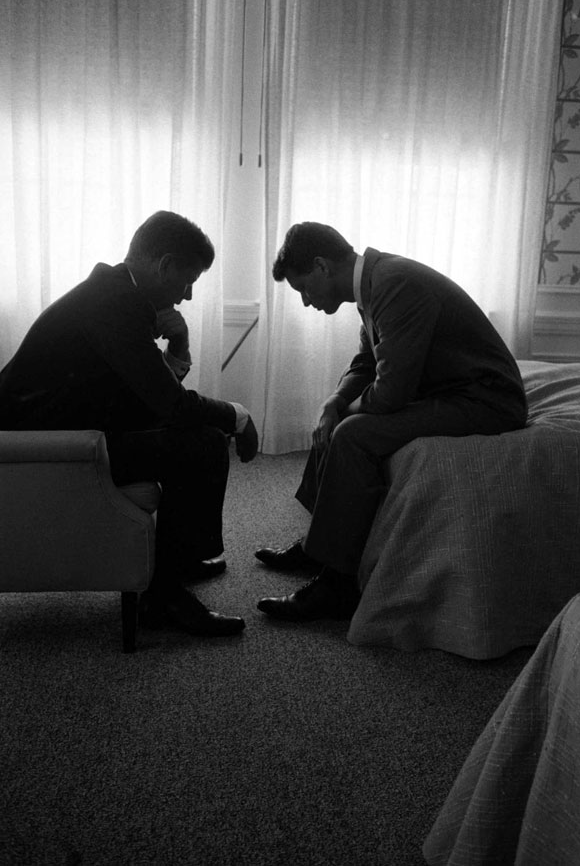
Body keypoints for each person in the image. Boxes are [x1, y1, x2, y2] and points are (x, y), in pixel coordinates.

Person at [0, 210, 258, 636]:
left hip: (69, 432)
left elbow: (150, 396)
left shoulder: (115, 295)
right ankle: (165, 599)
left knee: (198, 437)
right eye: (188, 280)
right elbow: (169, 405)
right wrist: (237, 415)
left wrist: (179, 343)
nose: (189, 295)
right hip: (46, 450)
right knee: (204, 444)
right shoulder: (114, 304)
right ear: (166, 265)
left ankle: (182, 562)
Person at [255, 222, 528, 622]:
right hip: (449, 388)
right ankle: (319, 546)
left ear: (321, 266)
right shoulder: (375, 284)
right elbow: (367, 363)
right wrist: (333, 402)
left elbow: (391, 393)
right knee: (333, 418)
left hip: (486, 399)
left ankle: (338, 586)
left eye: (303, 290)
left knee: (351, 434)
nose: (307, 302)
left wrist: (342, 416)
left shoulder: (394, 284)